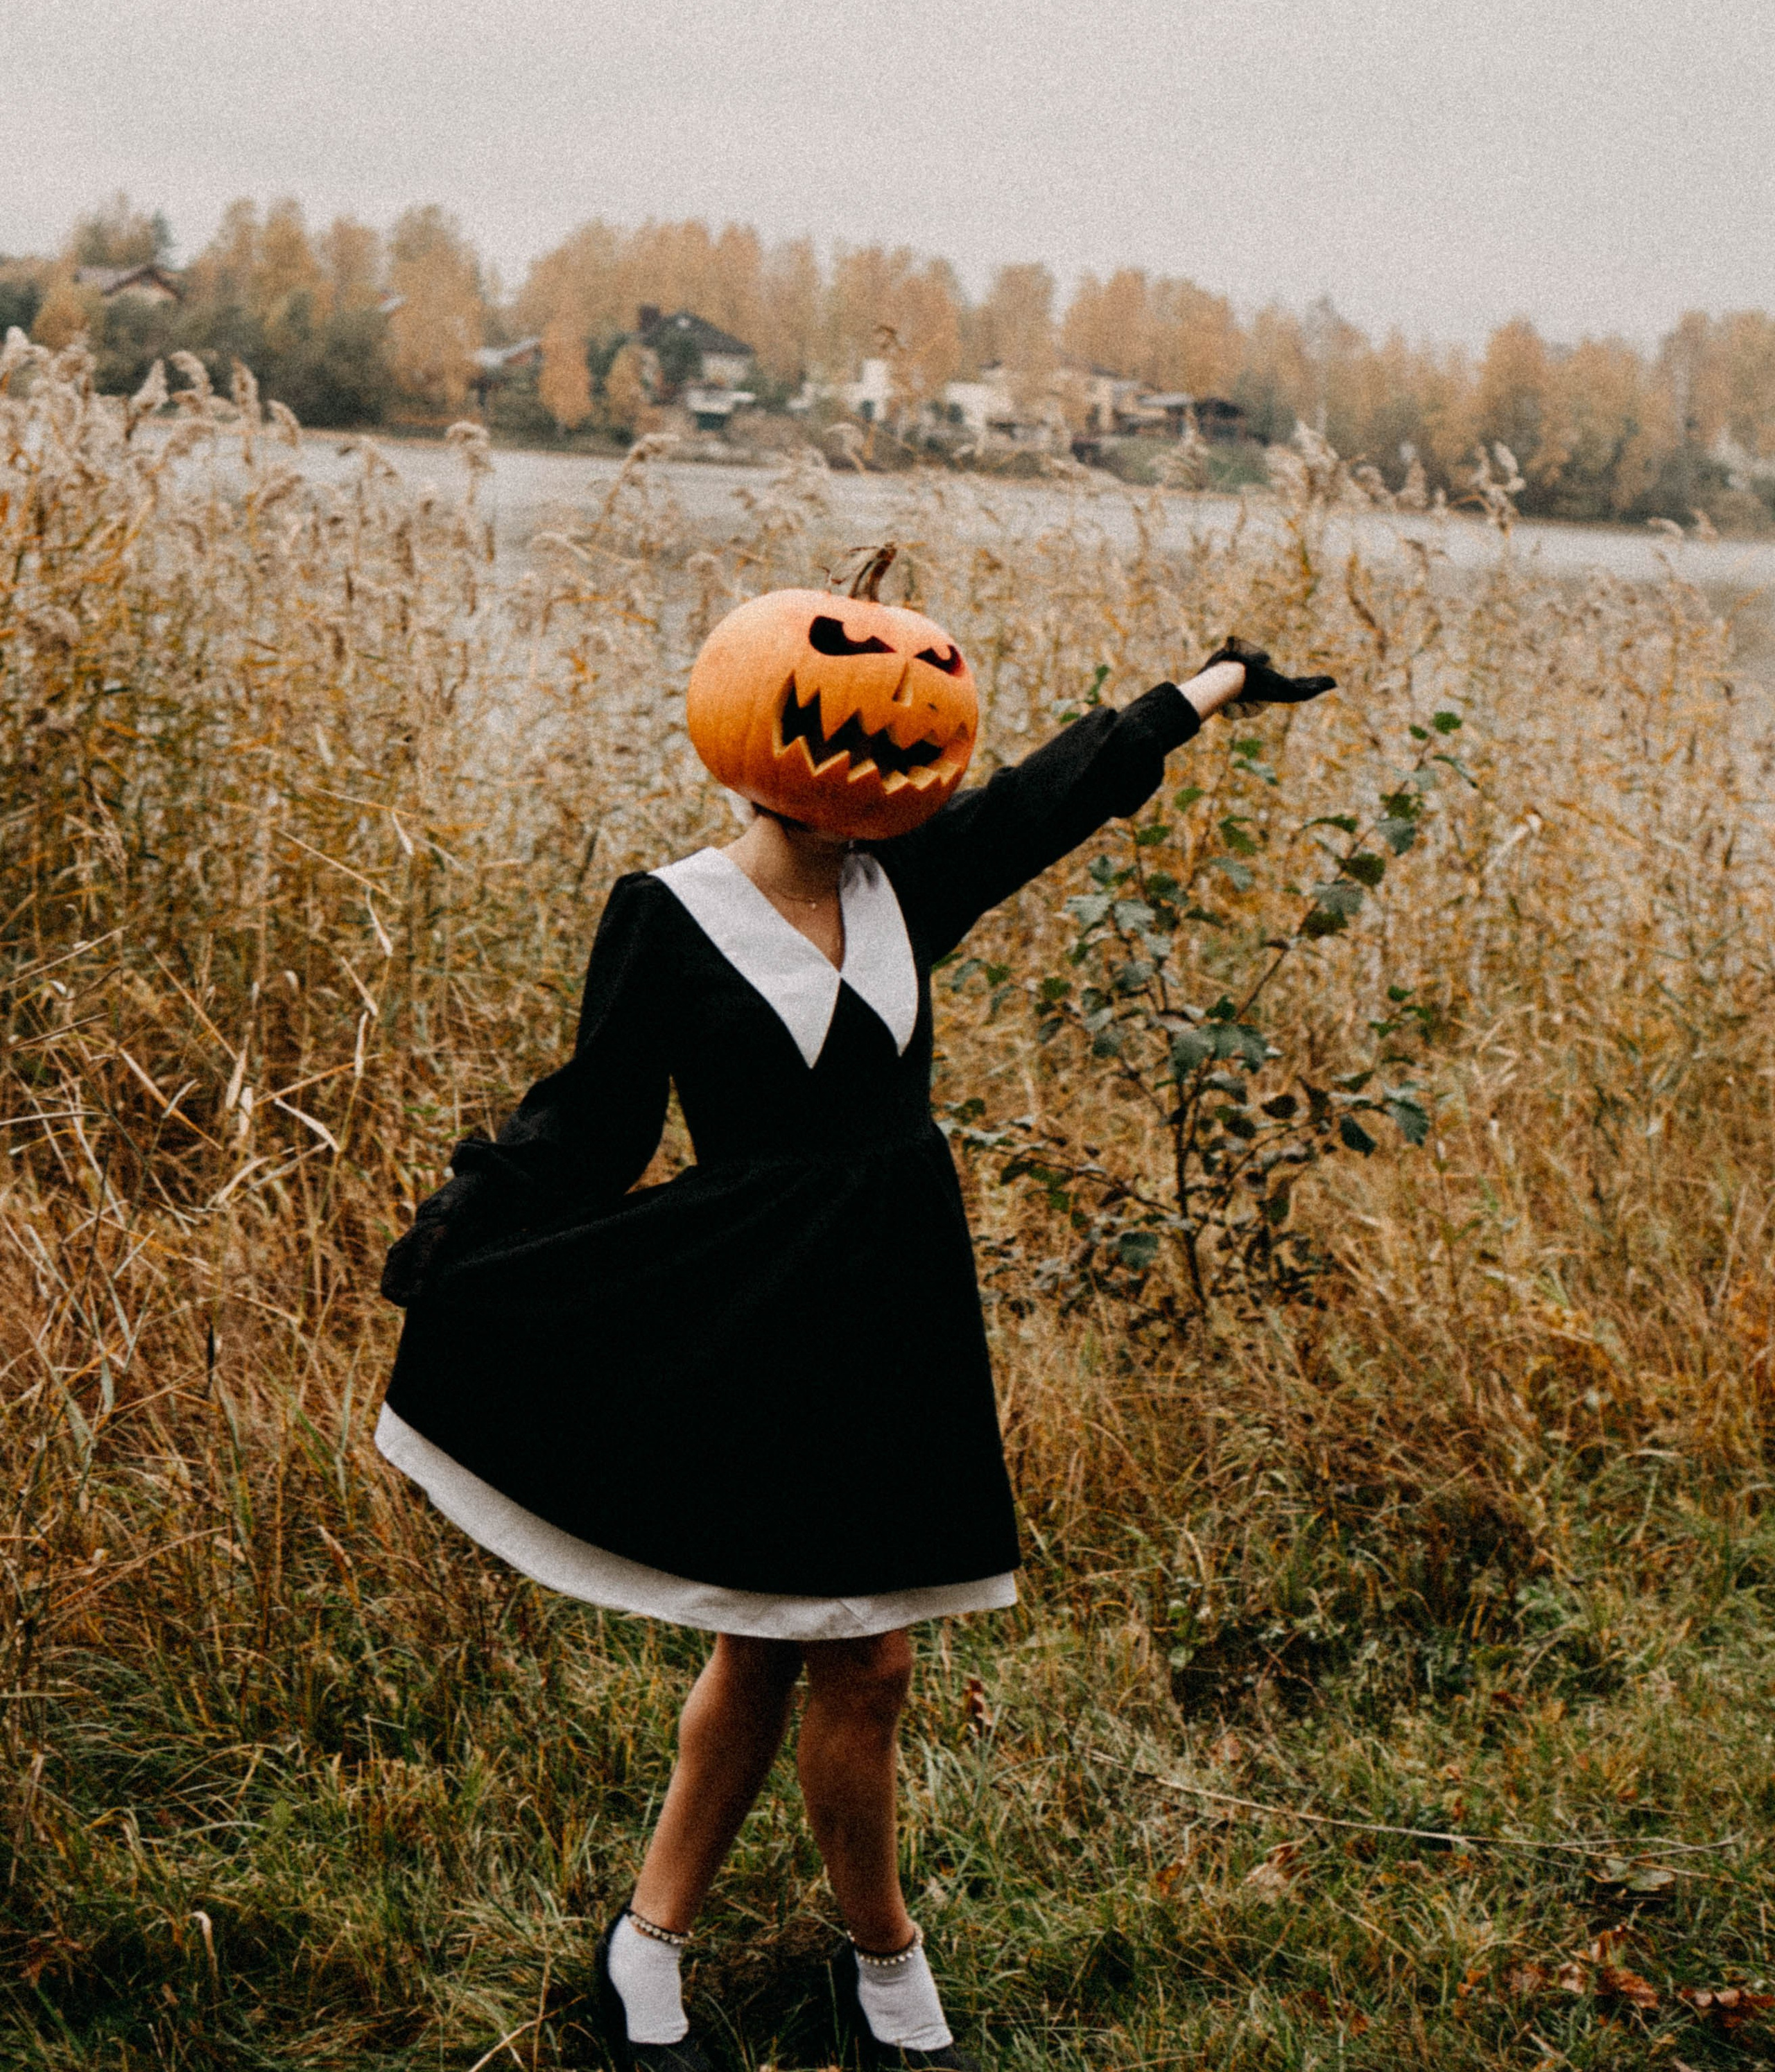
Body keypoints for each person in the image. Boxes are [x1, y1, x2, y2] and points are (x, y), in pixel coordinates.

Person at [376, 620, 1334, 2069]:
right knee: (844, 1655)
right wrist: (470, 1226)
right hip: (752, 1307)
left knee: (801, 1654)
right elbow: (596, 1118)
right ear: (754, 736)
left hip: (893, 1314)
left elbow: (1056, 793)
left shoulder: (908, 882)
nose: (889, 761)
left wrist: (1216, 685)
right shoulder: (667, 913)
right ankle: (876, 1967)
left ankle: (654, 1950)